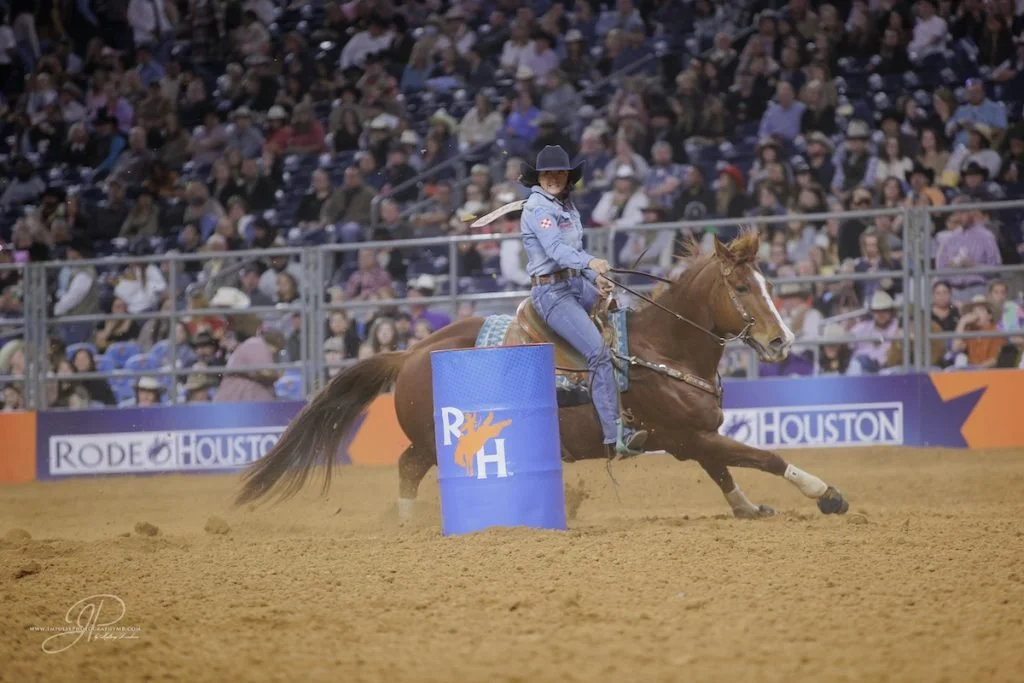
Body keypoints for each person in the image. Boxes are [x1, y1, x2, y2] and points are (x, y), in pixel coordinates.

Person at [518, 145, 647, 457]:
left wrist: (595, 278)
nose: (554, 178)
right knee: (599, 353)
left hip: (575, 283)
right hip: (552, 292)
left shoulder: (566, 207)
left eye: (559, 173)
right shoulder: (538, 209)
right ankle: (615, 434)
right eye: (548, 173)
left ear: (567, 177)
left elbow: (573, 254)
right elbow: (556, 251)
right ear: (539, 177)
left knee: (623, 316)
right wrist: (591, 263)